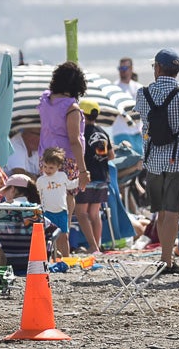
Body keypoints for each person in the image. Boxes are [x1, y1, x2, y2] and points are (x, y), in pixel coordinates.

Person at [133, 48, 179, 274]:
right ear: (176, 71)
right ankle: (167, 260)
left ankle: (165, 258)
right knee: (174, 211)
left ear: (157, 68)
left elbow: (144, 119)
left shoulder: (142, 94)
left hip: (153, 159)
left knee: (161, 212)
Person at [38, 62, 91, 200]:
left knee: (48, 195)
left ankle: (50, 222)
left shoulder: (45, 100)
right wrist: (83, 171)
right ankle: (64, 222)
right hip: (65, 159)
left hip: (44, 156)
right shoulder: (71, 108)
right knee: (67, 195)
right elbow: (74, 141)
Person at [76, 99, 114, 254]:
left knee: (81, 212)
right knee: (94, 213)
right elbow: (111, 156)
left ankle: (93, 246)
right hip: (102, 177)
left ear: (82, 115)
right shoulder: (103, 132)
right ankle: (96, 246)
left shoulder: (81, 132)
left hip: (88, 176)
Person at [37, 147, 76, 258]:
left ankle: (66, 258)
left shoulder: (62, 176)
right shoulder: (41, 181)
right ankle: (50, 258)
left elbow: (70, 185)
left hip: (61, 211)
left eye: (51, 168)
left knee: (64, 237)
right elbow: (38, 196)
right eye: (45, 167)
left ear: (58, 167)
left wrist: (80, 181)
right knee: (49, 238)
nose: (47, 170)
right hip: (47, 212)